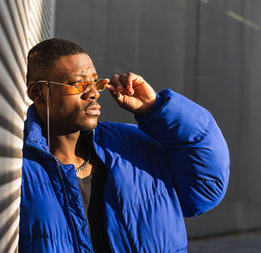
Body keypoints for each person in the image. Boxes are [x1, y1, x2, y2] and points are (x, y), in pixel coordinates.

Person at [19, 38, 230, 252]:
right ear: (37, 93)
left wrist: (154, 108)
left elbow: (207, 187)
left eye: (95, 82)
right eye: (79, 84)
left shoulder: (133, 146)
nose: (93, 92)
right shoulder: (17, 168)